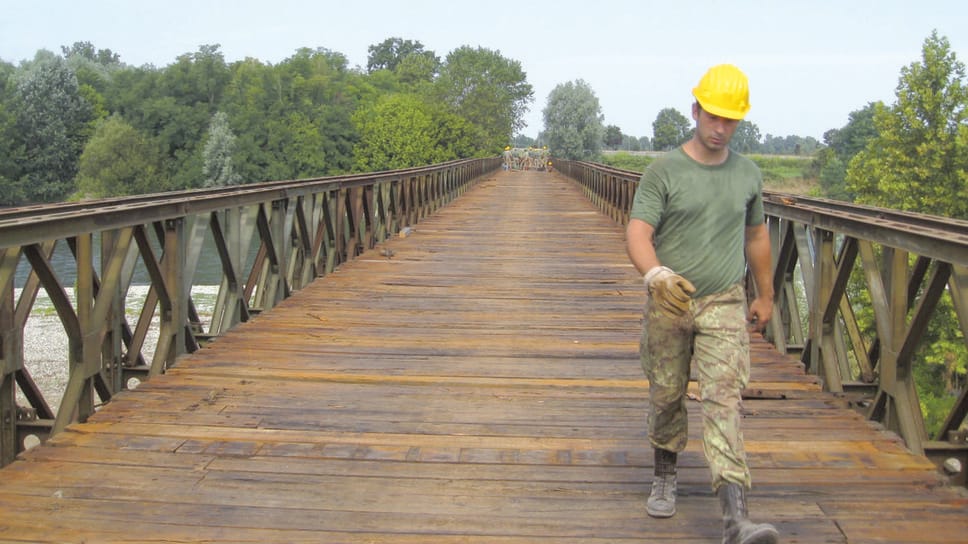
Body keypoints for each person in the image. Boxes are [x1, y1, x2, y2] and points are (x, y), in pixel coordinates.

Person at [625, 64, 779, 544]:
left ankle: (737, 520)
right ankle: (665, 473)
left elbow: (756, 236)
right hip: (671, 302)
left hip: (725, 303)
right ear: (695, 111)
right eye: (713, 117)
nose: (720, 128)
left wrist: (767, 293)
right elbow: (637, 232)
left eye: (730, 120)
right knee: (667, 393)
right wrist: (655, 274)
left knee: (724, 401)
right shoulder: (664, 170)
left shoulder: (747, 174)